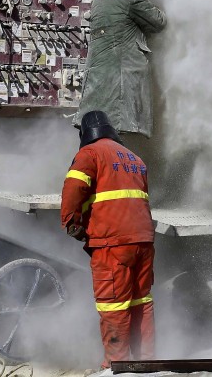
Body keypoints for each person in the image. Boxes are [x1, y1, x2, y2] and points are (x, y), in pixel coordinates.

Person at [61, 111, 156, 369]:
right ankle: (148, 365)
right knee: (141, 302)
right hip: (144, 241)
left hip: (112, 244)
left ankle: (117, 366)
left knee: (113, 305)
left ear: (86, 134)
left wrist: (72, 224)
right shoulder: (135, 159)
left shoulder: (89, 154)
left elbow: (73, 191)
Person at [76, 0, 166, 138]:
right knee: (115, 131)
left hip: (99, 76)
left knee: (98, 130)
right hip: (120, 77)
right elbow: (158, 23)